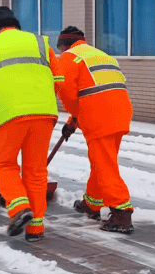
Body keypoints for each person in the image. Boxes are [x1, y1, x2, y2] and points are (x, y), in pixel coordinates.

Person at [0, 6, 61, 242]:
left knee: (3, 165)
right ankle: (35, 229)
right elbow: (58, 80)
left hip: (7, 116)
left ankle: (19, 207)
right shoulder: (41, 43)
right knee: (35, 171)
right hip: (43, 115)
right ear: (16, 24)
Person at [54, 26, 134, 233]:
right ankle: (92, 203)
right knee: (102, 160)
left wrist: (75, 117)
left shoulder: (69, 58)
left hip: (99, 116)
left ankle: (121, 212)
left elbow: (69, 95)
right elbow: (93, 89)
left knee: (105, 164)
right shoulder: (100, 55)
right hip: (121, 112)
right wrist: (73, 122)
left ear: (63, 46)